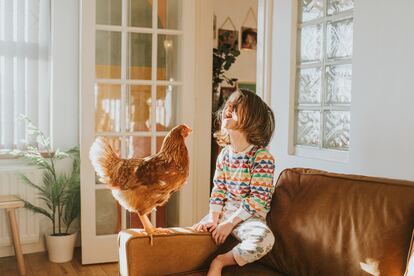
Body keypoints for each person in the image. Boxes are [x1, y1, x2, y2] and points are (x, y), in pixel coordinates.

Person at [192, 89, 276, 275]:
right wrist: (213, 219)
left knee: (265, 239)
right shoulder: (224, 155)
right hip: (223, 214)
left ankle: (220, 261)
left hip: (248, 218)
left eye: (236, 105)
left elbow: (258, 199)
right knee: (194, 233)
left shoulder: (261, 157)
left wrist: (230, 223)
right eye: (228, 103)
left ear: (252, 118)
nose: (228, 107)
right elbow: (218, 190)